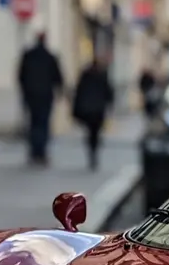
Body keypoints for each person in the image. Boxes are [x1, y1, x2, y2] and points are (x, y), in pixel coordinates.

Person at [16, 32, 64, 166]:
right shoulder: (50, 57)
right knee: (43, 123)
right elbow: (58, 77)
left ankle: (34, 152)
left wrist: (25, 91)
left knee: (33, 122)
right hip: (45, 95)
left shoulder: (28, 56)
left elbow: (21, 75)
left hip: (31, 95)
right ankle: (41, 152)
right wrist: (60, 91)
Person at [71, 53, 115, 171]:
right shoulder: (102, 75)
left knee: (91, 132)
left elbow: (79, 92)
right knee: (95, 132)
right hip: (98, 109)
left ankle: (92, 151)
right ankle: (94, 151)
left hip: (87, 109)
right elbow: (108, 91)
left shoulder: (85, 75)